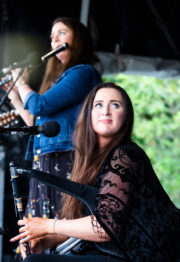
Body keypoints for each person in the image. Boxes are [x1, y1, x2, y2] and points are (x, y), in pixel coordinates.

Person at [10, 82, 180, 262]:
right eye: (98, 105)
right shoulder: (89, 163)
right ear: (88, 114)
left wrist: (48, 225)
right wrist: (47, 241)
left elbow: (105, 227)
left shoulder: (126, 156)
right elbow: (89, 224)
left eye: (115, 105)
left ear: (126, 116)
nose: (105, 111)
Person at [3, 17, 102, 221]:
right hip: (45, 158)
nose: (55, 40)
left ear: (78, 38)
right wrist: (14, 96)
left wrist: (21, 82)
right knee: (40, 222)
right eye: (52, 36)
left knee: (59, 221)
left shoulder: (83, 73)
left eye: (62, 33)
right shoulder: (59, 80)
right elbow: (33, 121)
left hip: (65, 157)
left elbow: (40, 105)